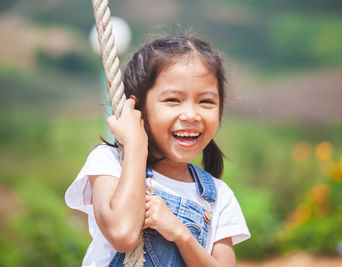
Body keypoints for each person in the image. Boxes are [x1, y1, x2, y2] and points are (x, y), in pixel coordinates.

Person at [65, 34, 250, 267]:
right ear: (138, 107)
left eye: (206, 102)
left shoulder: (217, 197)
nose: (192, 115)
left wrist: (181, 235)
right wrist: (136, 145)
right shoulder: (109, 163)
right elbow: (122, 234)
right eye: (173, 100)